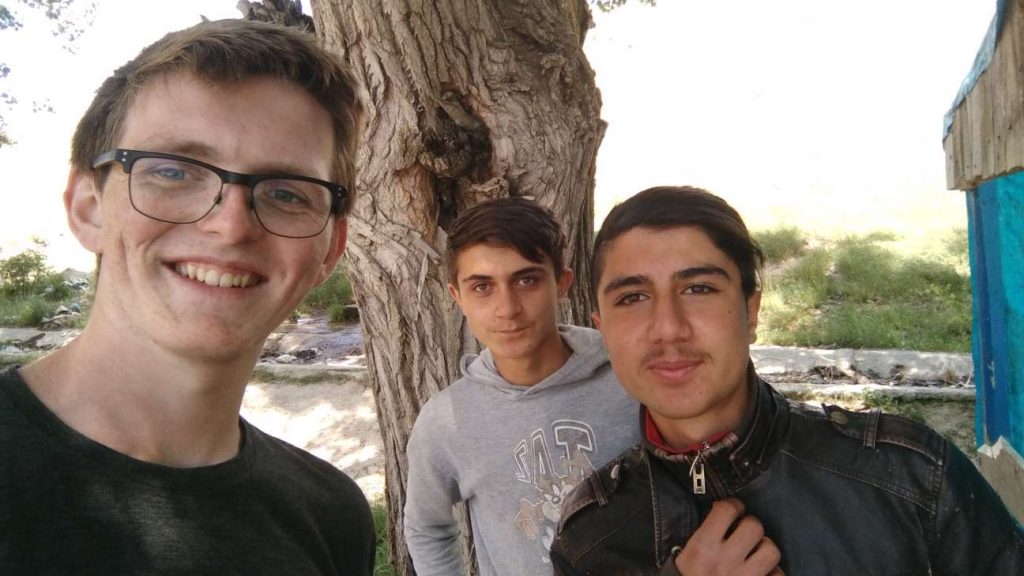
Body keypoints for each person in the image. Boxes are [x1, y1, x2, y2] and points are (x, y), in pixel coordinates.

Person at [0, 19, 376, 574]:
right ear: (88, 206)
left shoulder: (331, 516)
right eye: (175, 171)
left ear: (330, 249)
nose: (230, 226)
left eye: (285, 193)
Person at [551, 186, 1024, 575]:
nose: (669, 327)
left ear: (751, 311)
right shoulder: (591, 538)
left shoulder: (912, 479)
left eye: (698, 289)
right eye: (633, 297)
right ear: (602, 327)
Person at [404, 197, 640, 575]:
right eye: (482, 287)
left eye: (526, 280)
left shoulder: (630, 381)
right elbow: (426, 525)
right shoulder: (446, 421)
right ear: (457, 298)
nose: (507, 308)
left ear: (562, 284)